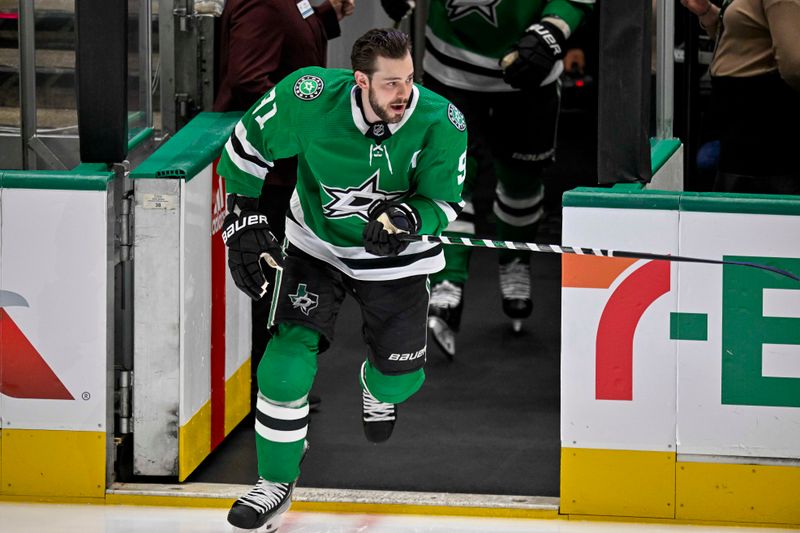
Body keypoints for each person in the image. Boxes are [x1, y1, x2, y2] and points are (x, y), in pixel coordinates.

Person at [216, 28, 467, 530]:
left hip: (396, 257)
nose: (405, 95)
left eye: (410, 81)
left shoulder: (441, 121)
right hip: (317, 244)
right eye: (392, 84)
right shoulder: (307, 98)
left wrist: (413, 219)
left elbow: (444, 202)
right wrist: (241, 219)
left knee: (401, 380)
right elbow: (244, 151)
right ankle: (275, 483)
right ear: (360, 82)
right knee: (284, 366)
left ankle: (377, 388)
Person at [381, 0, 594, 358]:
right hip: (451, 68)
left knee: (522, 180)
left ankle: (515, 261)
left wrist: (553, 29)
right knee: (449, 177)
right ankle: (449, 275)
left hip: (531, 72)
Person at [213, 0, 356, 413]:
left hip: (284, 171)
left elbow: (291, 39)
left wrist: (326, 16)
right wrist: (305, 127)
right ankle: (267, 392)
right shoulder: (266, 2)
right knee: (268, 282)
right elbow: (246, 78)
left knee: (278, 281)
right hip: (268, 176)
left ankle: (272, 386)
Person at [680, 0, 800, 194]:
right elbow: (745, 35)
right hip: (740, 129)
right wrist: (709, 13)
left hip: (763, 130)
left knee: (759, 215)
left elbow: (794, 66)